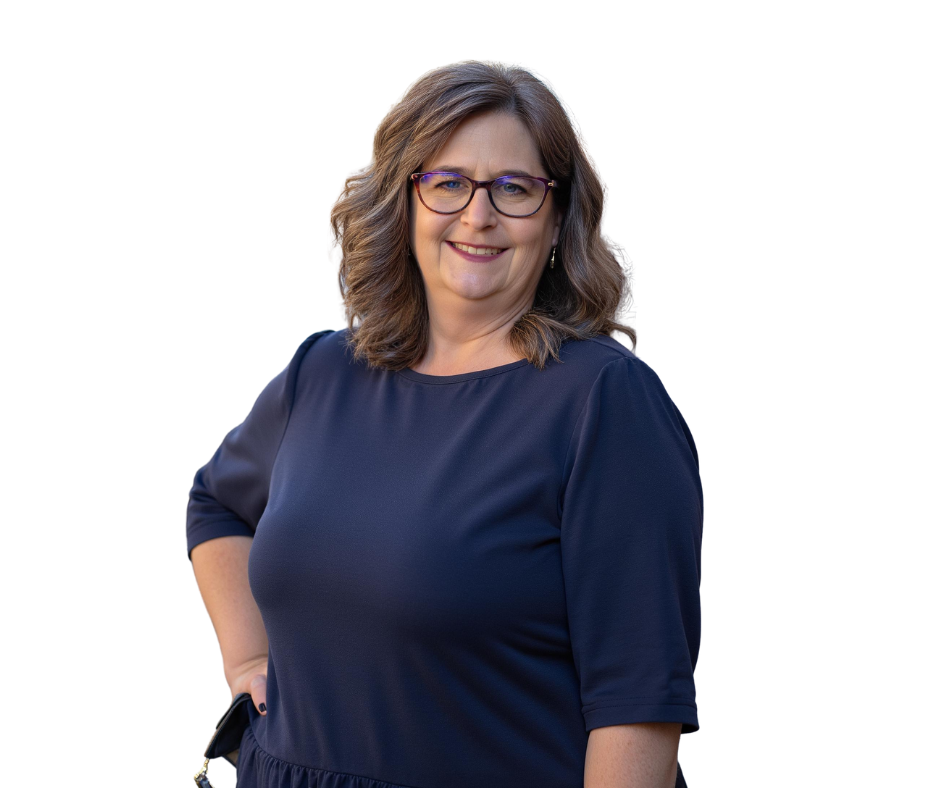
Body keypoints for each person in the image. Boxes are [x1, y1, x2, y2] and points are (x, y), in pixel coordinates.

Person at [187, 59, 703, 788]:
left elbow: (638, 702)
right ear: (403, 203)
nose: (478, 215)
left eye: (514, 188)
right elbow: (215, 504)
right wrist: (247, 659)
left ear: (558, 218)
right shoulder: (323, 371)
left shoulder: (605, 402)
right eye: (448, 182)